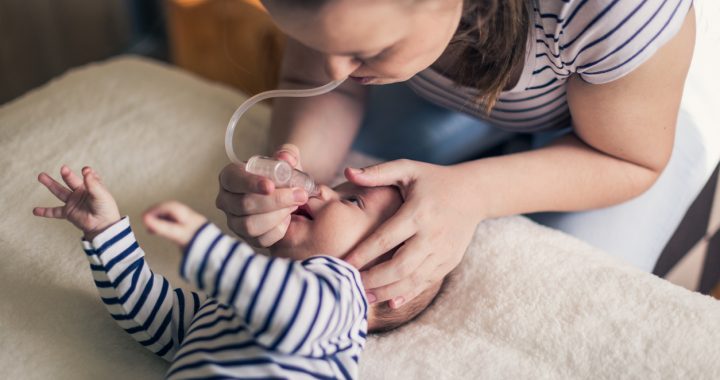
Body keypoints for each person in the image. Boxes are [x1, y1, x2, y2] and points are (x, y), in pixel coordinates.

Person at [216, 0, 699, 309]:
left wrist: (473, 193)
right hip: (437, 98)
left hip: (609, 137)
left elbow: (629, 160)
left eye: (366, 48)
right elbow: (321, 84)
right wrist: (293, 183)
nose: (333, 66)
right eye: (322, 42)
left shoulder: (617, 10)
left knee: (576, 296)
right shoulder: (350, 37)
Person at [32, 165, 443, 379]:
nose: (325, 190)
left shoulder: (342, 297)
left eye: (353, 202)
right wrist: (106, 234)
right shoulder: (239, 296)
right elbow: (158, 320)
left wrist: (208, 248)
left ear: (388, 274)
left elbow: (289, 310)